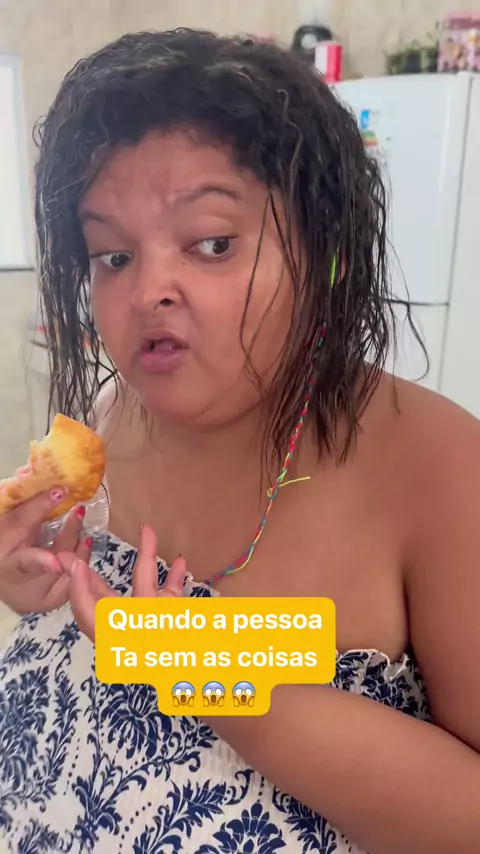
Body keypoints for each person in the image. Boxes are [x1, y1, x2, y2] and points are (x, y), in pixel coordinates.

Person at [0, 28, 479, 854]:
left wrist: (214, 677)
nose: (148, 291)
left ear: (323, 246)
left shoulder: (441, 470)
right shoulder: (110, 414)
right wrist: (31, 584)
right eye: (112, 255)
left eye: (212, 243)